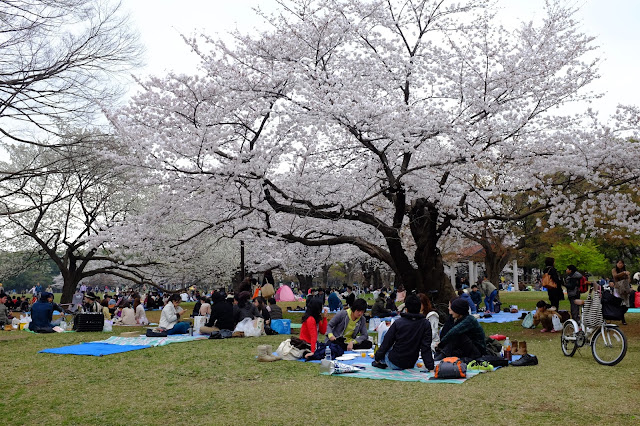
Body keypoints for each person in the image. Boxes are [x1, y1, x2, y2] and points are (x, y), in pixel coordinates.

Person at [372, 294, 434, 371]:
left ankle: (380, 361)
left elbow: (386, 343)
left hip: (394, 362)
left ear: (406, 309)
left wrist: (377, 358)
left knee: (385, 333)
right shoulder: (425, 324)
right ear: (420, 308)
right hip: (410, 363)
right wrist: (430, 367)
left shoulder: (398, 323)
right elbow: (426, 348)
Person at [611, 259, 631, 325]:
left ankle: (620, 315)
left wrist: (628, 279)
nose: (620, 264)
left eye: (621, 263)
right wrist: (624, 273)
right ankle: (623, 319)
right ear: (616, 264)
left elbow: (629, 279)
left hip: (625, 289)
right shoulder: (614, 270)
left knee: (626, 305)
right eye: (619, 263)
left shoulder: (625, 271)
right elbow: (615, 276)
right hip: (618, 289)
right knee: (619, 303)